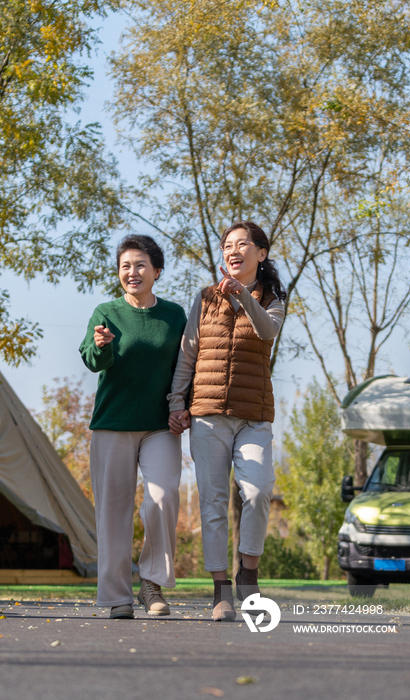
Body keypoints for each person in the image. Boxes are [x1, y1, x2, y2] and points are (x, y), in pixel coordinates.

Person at [168, 221, 286, 621]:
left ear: (261, 253)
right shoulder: (204, 299)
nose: (233, 250)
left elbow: (267, 331)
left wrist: (243, 296)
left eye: (242, 244)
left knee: (257, 492)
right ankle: (220, 590)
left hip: (253, 416)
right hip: (208, 416)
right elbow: (188, 355)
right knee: (213, 503)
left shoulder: (272, 299)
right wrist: (175, 402)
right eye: (227, 245)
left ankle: (247, 573)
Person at [79, 235, 186, 619]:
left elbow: (185, 368)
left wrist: (184, 406)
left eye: (140, 264)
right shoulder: (105, 312)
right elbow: (92, 360)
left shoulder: (174, 316)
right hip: (113, 423)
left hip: (160, 425)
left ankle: (152, 584)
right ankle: (115, 597)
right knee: (113, 511)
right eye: (125, 265)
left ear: (157, 271)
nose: (132, 272)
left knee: (162, 498)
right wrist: (102, 344)